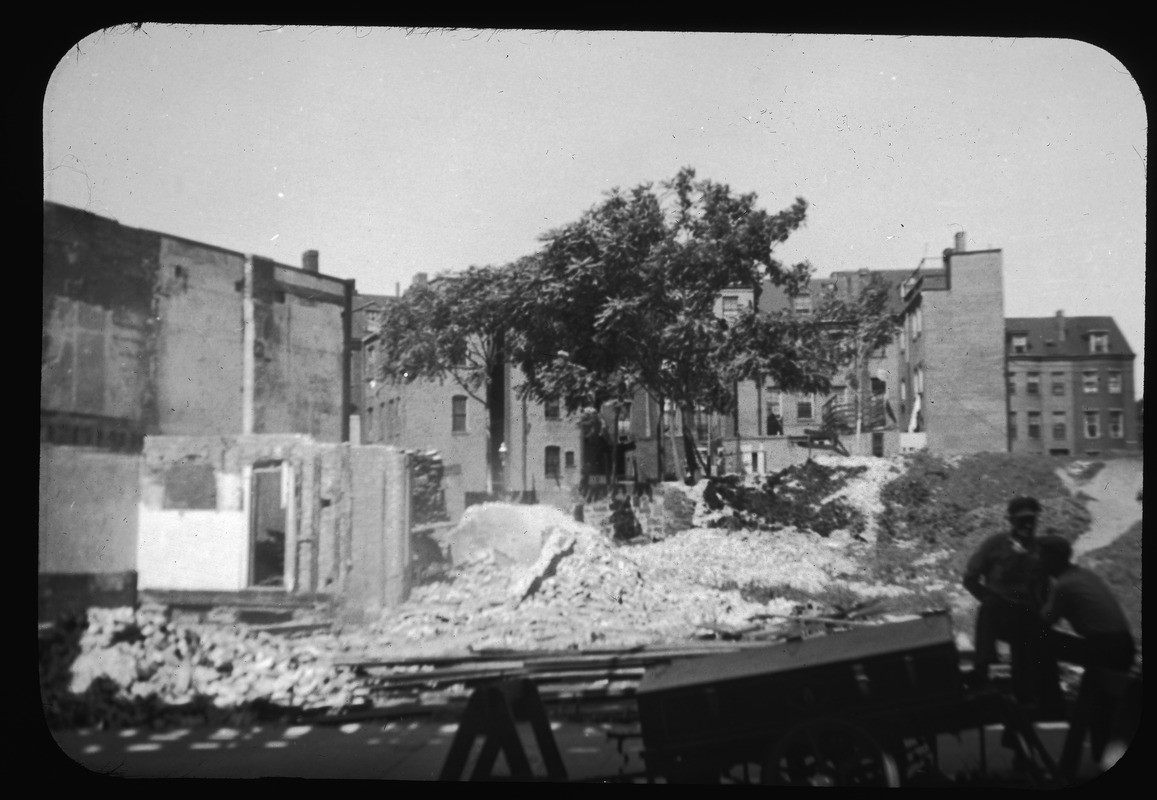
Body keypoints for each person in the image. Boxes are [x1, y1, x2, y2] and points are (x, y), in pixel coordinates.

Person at [961, 496, 1063, 713]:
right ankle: (982, 669)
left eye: (1031, 520)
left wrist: (1044, 615)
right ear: (1011, 520)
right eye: (1022, 520)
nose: (1027, 524)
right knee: (987, 610)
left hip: (1026, 614)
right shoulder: (995, 544)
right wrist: (984, 595)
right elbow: (970, 577)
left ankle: (1028, 696)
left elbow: (1044, 588)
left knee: (1031, 648)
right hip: (999, 610)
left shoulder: (1040, 550)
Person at [1036, 535, 1136, 671]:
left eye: (1042, 556)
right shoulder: (1084, 574)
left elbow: (1045, 620)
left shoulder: (1064, 585)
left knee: (1040, 638)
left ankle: (1042, 688)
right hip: (1125, 645)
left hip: (1107, 649)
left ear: (1053, 559)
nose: (1039, 561)